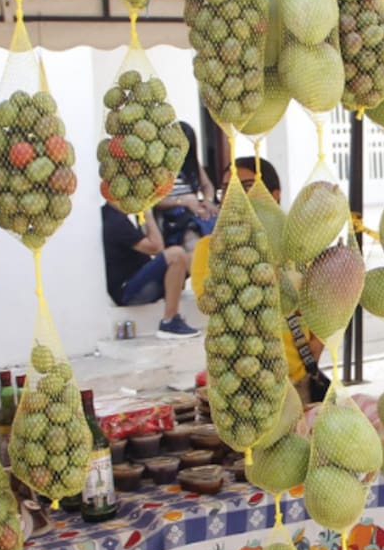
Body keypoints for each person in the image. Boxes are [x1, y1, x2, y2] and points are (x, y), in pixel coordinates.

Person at [191, 157, 328, 405]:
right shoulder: (210, 249)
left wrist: (315, 348)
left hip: (296, 382)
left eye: (246, 186)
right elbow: (211, 303)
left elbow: (321, 306)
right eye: (226, 189)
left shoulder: (298, 249)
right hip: (239, 387)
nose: (234, 195)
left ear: (274, 194)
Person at [101, 204, 200, 339]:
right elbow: (156, 247)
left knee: (192, 256)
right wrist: (148, 214)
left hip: (139, 280)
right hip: (127, 291)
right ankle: (169, 322)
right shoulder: (115, 220)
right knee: (176, 254)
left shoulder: (125, 215)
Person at [155, 121, 218, 252]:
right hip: (174, 217)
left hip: (195, 210)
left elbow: (207, 186)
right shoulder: (158, 168)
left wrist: (208, 200)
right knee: (193, 238)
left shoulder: (191, 164)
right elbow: (153, 202)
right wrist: (182, 201)